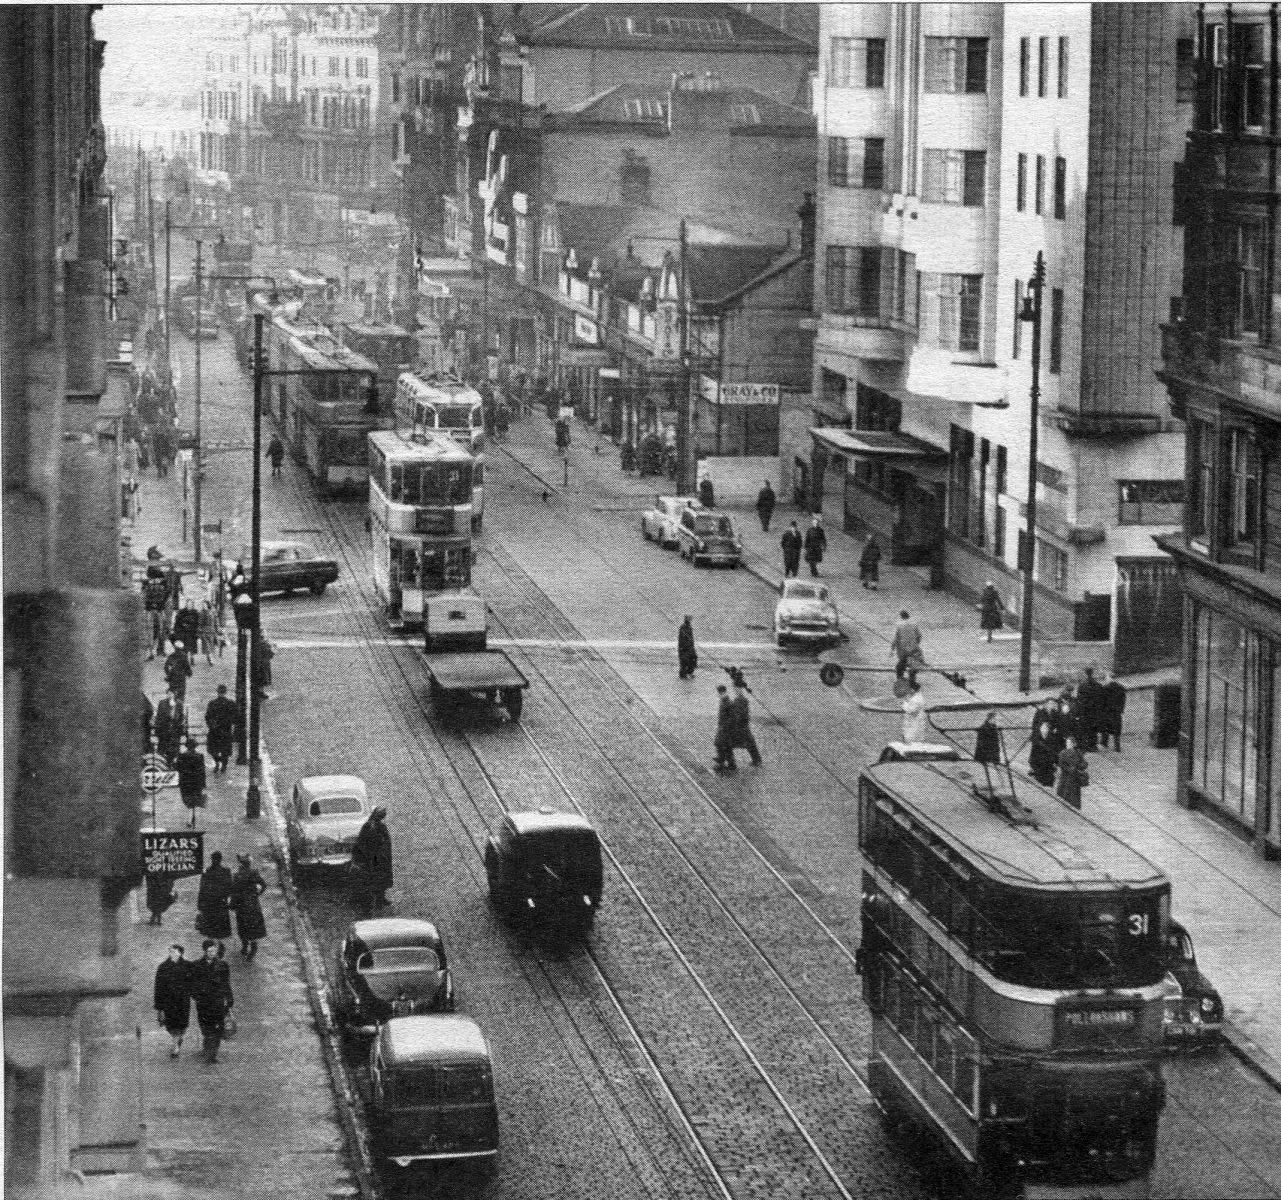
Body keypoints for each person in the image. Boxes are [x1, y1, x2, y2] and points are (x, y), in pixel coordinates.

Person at [189, 940, 233, 1064]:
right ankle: (207, 1045)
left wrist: (229, 999)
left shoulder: (223, 965)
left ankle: (212, 1053)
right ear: (204, 951)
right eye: (209, 951)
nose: (212, 953)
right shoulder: (196, 965)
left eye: (214, 951)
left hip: (218, 1001)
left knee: (218, 1027)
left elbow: (226, 983)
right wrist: (196, 996)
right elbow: (191, 983)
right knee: (205, 1026)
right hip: (203, 1002)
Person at [153, 944, 192, 1059]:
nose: (171, 953)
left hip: (183, 1001)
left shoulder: (187, 966)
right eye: (170, 951)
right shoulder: (163, 967)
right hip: (169, 1002)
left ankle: (177, 1041)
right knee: (171, 1025)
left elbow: (193, 982)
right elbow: (158, 987)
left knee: (183, 1025)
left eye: (174, 952)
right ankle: (175, 1044)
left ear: (180, 953)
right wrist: (159, 1006)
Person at [352, 806, 393, 910]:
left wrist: (384, 850)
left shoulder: (381, 826)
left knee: (382, 877)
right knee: (374, 878)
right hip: (372, 857)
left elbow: (387, 840)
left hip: (381, 857)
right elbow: (361, 842)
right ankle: (375, 900)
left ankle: (381, 898)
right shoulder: (368, 826)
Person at [230, 853, 268, 960]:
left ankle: (244, 947)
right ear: (249, 863)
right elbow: (264, 885)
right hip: (253, 905)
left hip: (241, 906)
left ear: (241, 864)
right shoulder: (254, 873)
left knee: (242, 927)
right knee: (253, 928)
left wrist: (232, 904)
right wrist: (257, 894)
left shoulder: (237, 876)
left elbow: (234, 891)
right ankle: (253, 949)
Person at [195, 851, 233, 942]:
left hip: (209, 904)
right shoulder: (226, 871)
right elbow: (230, 888)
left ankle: (212, 945)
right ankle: (219, 945)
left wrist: (200, 904)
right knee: (220, 929)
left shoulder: (207, 871)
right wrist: (227, 898)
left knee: (210, 929)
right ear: (221, 860)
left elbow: (202, 889)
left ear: (212, 859)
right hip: (221, 903)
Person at [728, 671, 763, 766]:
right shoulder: (740, 698)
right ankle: (756, 759)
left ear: (738, 688)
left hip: (740, 725)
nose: (733, 689)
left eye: (734, 688)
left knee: (728, 742)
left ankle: (727, 761)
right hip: (742, 725)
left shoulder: (740, 699)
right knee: (748, 742)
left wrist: (733, 720)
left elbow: (740, 714)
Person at [204, 684, 238, 773]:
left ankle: (219, 763)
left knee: (213, 749)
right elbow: (235, 718)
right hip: (224, 730)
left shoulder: (212, 703)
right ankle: (222, 764)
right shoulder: (230, 703)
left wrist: (211, 725)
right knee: (224, 750)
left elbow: (207, 717)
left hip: (216, 730)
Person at [1028, 700, 1060, 787]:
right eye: (1050, 704)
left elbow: (1057, 722)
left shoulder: (1054, 712)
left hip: (1050, 734)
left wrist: (1055, 729)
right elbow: (1035, 724)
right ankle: (1034, 769)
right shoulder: (1040, 712)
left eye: (1053, 704)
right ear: (1046, 704)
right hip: (1039, 734)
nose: (1052, 705)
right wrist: (1038, 732)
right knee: (1037, 752)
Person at [176, 738, 207, 827]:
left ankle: (190, 818)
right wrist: (203, 783)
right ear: (195, 746)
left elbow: (178, 767)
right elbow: (202, 771)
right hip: (196, 781)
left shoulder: (181, 756)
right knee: (194, 799)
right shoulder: (199, 756)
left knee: (187, 799)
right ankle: (191, 816)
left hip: (185, 781)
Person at [142, 563, 169, 660]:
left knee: (159, 630)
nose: (154, 580)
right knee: (150, 629)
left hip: (157, 609)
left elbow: (167, 594)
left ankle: (154, 650)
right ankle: (150, 651)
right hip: (151, 609)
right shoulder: (146, 583)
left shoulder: (163, 583)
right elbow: (143, 596)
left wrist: (161, 603)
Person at [1056, 735, 1090, 810]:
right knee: (1064, 794)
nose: (1068, 745)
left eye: (1070, 743)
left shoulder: (1078, 752)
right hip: (1065, 778)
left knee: (1074, 797)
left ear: (1074, 744)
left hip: (1075, 779)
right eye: (1067, 743)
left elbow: (1084, 763)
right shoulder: (1063, 753)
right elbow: (1061, 764)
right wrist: (1070, 769)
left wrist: (1079, 766)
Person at [1076, 667, 1104, 752]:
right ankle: (1093, 746)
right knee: (1094, 729)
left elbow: (1079, 699)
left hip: (1085, 711)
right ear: (1092, 673)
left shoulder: (1082, 685)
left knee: (1086, 729)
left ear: (1085, 674)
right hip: (1095, 711)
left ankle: (1087, 746)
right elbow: (1101, 699)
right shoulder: (1098, 685)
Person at [891, 611, 923, 679]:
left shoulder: (899, 625)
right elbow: (919, 636)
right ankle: (912, 679)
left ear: (901, 617)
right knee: (914, 665)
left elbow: (896, 639)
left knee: (899, 667)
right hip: (914, 650)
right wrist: (915, 644)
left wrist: (892, 649)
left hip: (903, 651)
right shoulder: (914, 624)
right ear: (908, 616)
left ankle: (900, 679)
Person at [154, 692, 183, 765]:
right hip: (164, 729)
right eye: (168, 694)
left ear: (174, 695)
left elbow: (181, 716)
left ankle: (172, 762)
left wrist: (179, 725)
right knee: (163, 747)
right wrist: (158, 728)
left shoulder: (179, 703)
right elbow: (159, 716)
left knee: (173, 748)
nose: (170, 695)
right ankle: (162, 763)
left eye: (171, 694)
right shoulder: (162, 703)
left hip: (174, 729)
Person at [1100, 674, 1127, 751]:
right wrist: (1121, 709)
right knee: (1117, 730)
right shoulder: (1120, 688)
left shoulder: (1105, 688)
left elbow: (1102, 701)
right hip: (1117, 712)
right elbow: (1123, 700)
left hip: (1107, 712)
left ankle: (1104, 743)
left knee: (1106, 728)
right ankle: (1117, 746)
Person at [713, 685, 737, 772]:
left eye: (719, 693)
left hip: (726, 728)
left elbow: (731, 717)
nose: (719, 695)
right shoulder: (724, 700)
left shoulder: (727, 702)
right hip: (723, 727)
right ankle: (724, 762)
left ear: (722, 692)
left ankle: (726, 763)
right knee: (723, 745)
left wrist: (726, 726)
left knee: (722, 745)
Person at [901, 676, 928, 743]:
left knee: (911, 740)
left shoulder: (916, 699)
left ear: (912, 689)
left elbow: (910, 710)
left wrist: (905, 703)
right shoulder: (918, 697)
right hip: (915, 724)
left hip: (914, 725)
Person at [197, 600, 218, 664]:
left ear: (208, 605)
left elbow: (216, 621)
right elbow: (199, 622)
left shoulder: (213, 612)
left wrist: (217, 629)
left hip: (211, 630)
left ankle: (210, 657)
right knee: (207, 645)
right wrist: (199, 630)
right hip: (204, 631)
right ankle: (210, 658)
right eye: (203, 605)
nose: (204, 606)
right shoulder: (201, 613)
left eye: (205, 604)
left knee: (211, 645)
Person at [677, 616, 698, 680]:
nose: (690, 620)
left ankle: (689, 672)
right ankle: (683, 675)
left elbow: (691, 638)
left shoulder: (689, 627)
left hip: (690, 647)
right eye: (689, 619)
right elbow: (682, 639)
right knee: (684, 661)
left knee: (693, 658)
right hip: (684, 648)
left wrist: (691, 645)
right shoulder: (683, 627)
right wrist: (685, 646)